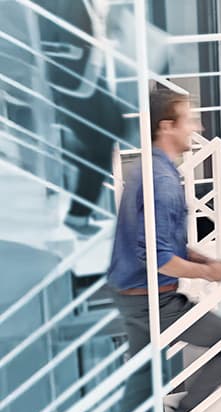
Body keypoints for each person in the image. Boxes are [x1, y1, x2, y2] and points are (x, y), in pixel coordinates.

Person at [108, 89, 221, 412]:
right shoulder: (163, 183)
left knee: (142, 380)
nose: (198, 126)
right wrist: (207, 273)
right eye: (189, 119)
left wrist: (202, 260)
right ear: (166, 126)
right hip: (153, 300)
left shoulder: (152, 170)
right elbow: (159, 259)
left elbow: (162, 242)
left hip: (132, 295)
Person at [37, 0, 129, 237]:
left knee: (108, 133)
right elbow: (54, 40)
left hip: (85, 76)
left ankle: (78, 213)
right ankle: (77, 215)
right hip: (75, 81)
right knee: (108, 132)